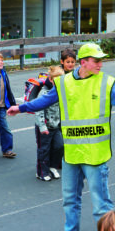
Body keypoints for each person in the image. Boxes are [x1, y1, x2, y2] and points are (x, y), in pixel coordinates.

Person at [7, 43, 115, 231]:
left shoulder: (106, 83)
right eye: (96, 60)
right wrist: (21, 108)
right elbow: (44, 101)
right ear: (83, 62)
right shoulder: (63, 83)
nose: (100, 63)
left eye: (101, 60)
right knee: (70, 200)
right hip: (71, 153)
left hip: (95, 154)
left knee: (101, 206)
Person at [35, 49, 76, 181]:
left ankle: (53, 167)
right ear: (51, 80)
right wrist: (42, 127)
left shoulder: (61, 91)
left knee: (59, 146)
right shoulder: (45, 93)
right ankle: (42, 172)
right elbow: (39, 110)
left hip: (57, 125)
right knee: (44, 150)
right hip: (45, 127)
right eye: (57, 79)